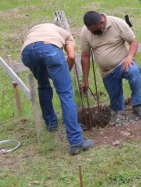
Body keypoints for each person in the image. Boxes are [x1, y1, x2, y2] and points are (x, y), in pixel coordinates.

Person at [21, 23, 94, 155]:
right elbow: (71, 56)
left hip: (27, 52)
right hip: (50, 51)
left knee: (43, 86)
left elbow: (34, 48)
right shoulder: (67, 36)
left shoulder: (35, 30)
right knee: (66, 94)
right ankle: (76, 142)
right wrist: (65, 71)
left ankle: (51, 124)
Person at [79, 11, 141, 119]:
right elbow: (85, 56)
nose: (92, 33)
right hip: (107, 71)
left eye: (94, 30)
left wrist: (129, 57)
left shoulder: (117, 23)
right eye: (90, 31)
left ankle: (139, 105)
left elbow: (133, 42)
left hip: (124, 63)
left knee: (134, 73)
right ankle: (119, 113)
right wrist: (85, 80)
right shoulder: (85, 31)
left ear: (101, 22)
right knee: (115, 99)